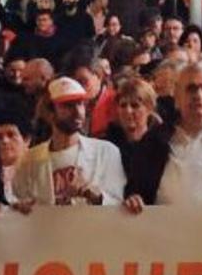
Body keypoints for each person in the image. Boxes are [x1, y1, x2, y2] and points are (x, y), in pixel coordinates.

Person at [122, 63, 202, 211]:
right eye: (191, 88)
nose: (199, 95)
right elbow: (134, 192)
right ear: (177, 95)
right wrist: (134, 199)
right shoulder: (152, 141)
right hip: (161, 231)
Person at [13, 78, 128, 208]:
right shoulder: (29, 160)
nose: (78, 112)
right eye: (68, 105)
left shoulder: (107, 152)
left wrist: (97, 196)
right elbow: (19, 206)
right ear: (50, 113)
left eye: (80, 104)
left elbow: (119, 205)